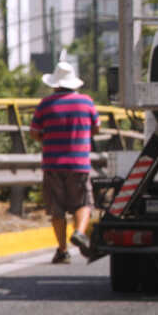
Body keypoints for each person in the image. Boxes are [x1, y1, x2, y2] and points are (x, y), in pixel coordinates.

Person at [28, 58, 99, 263]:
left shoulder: (45, 104)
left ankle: (62, 250)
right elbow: (96, 128)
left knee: (56, 209)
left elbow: (34, 132)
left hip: (52, 164)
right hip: (78, 164)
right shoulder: (86, 102)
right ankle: (79, 232)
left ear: (55, 84)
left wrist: (46, 138)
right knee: (83, 202)